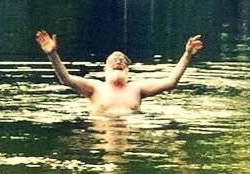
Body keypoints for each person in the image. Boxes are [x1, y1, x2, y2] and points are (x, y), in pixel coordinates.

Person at [35, 29, 204, 116]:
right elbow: (66, 79)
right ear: (105, 70)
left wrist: (187, 55)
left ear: (128, 70)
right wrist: (52, 54)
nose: (118, 61)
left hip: (131, 134)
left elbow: (170, 82)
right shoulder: (95, 87)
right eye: (113, 61)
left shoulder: (137, 89)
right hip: (100, 135)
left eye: (122, 61)